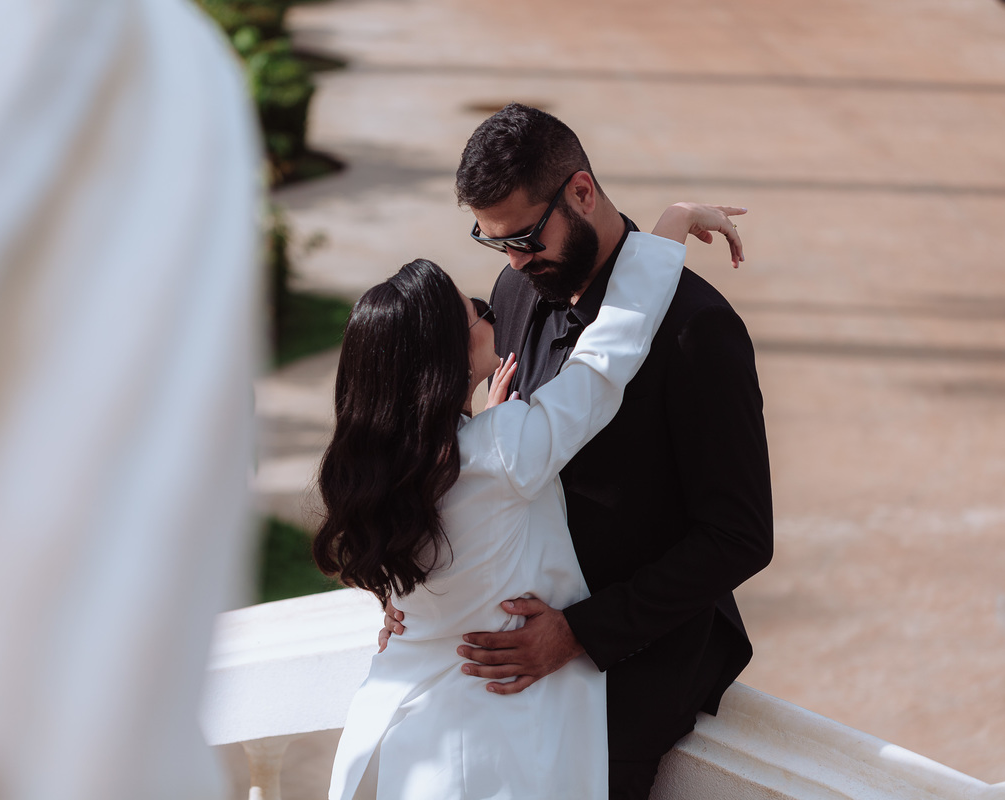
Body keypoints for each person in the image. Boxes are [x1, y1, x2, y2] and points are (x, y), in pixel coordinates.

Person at [384, 103, 773, 799]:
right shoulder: (516, 288)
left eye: (526, 237)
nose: (514, 261)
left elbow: (739, 536)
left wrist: (579, 634)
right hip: (510, 657)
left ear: (582, 193)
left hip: (629, 666)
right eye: (495, 243)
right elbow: (481, 468)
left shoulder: (698, 329)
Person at [315, 203, 745, 799]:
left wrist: (483, 423)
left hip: (403, 740)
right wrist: (670, 227)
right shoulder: (501, 450)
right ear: (447, 360)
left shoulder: (382, 478)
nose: (493, 312)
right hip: (492, 754)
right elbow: (604, 359)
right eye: (477, 311)